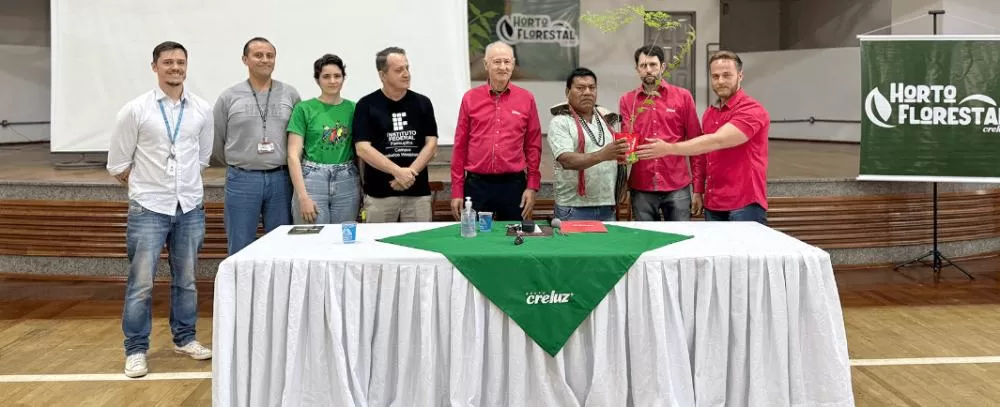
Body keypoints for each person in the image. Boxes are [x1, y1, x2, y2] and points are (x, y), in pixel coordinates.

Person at [106, 41, 214, 378]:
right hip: (149, 208)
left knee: (187, 280)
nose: (175, 67)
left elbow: (202, 157)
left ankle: (185, 338)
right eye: (168, 62)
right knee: (141, 283)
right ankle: (136, 349)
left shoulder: (201, 109)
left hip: (189, 207)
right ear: (155, 67)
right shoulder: (135, 110)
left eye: (180, 62)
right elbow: (118, 164)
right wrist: (148, 186)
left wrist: (181, 186)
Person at [635, 50, 770, 225]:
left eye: (727, 75)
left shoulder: (752, 110)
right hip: (714, 203)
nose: (720, 81)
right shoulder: (710, 114)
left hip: (744, 203)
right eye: (715, 76)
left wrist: (668, 148)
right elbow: (704, 156)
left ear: (740, 76)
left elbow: (717, 140)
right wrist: (698, 191)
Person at [212, 37, 302, 254]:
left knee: (281, 245)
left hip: (281, 179)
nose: (265, 60)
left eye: (270, 56)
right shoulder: (229, 97)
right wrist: (242, 162)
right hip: (242, 179)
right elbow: (216, 139)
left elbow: (299, 137)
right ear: (245, 59)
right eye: (258, 55)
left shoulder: (290, 94)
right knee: (240, 244)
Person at [450, 41, 542, 222]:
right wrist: (457, 190)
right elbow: (460, 146)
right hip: (477, 186)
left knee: (515, 236)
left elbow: (533, 146)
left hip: (514, 186)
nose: (502, 67)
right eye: (497, 62)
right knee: (476, 236)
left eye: (507, 62)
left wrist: (531, 186)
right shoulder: (470, 98)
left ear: (513, 64)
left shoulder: (527, 99)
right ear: (486, 65)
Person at [619, 45, 704, 222]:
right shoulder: (628, 100)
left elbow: (697, 144)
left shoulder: (683, 97)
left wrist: (697, 189)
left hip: (677, 185)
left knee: (679, 238)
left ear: (663, 67)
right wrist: (622, 185)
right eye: (643, 66)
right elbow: (626, 147)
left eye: (653, 65)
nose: (648, 70)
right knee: (646, 237)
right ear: (637, 70)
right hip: (641, 185)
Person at [353, 47, 438, 222]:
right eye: (399, 70)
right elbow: (362, 149)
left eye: (407, 68)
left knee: (419, 240)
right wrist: (397, 172)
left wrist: (409, 173)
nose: (406, 74)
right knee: (378, 240)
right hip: (379, 195)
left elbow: (431, 144)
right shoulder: (366, 104)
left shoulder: (422, 103)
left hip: (417, 193)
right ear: (382, 75)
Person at [286, 54, 360, 224]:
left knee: (343, 235)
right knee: (312, 234)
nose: (332, 81)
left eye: (337, 76)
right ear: (317, 80)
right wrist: (302, 196)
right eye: (326, 76)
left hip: (346, 179)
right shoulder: (304, 109)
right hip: (312, 179)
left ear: (343, 78)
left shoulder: (354, 109)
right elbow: (293, 155)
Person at [547, 67, 628, 221]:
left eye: (592, 87)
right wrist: (603, 155)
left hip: (607, 205)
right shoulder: (560, 122)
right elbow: (566, 160)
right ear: (567, 92)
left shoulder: (606, 119)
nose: (587, 92)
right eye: (580, 88)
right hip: (573, 207)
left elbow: (617, 157)